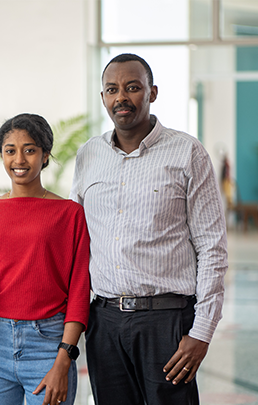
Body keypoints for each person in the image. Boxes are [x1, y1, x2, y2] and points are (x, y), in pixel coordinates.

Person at [70, 53, 228, 405]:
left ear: (152, 93)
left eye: (133, 88)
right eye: (112, 89)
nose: (121, 97)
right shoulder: (88, 155)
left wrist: (201, 332)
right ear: (103, 98)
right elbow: (77, 242)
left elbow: (212, 248)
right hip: (105, 323)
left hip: (167, 322)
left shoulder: (187, 152)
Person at [0, 113, 91, 405]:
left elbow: (79, 293)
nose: (19, 159)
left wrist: (64, 359)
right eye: (10, 151)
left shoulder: (70, 214)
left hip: (49, 344)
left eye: (30, 149)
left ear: (45, 155)